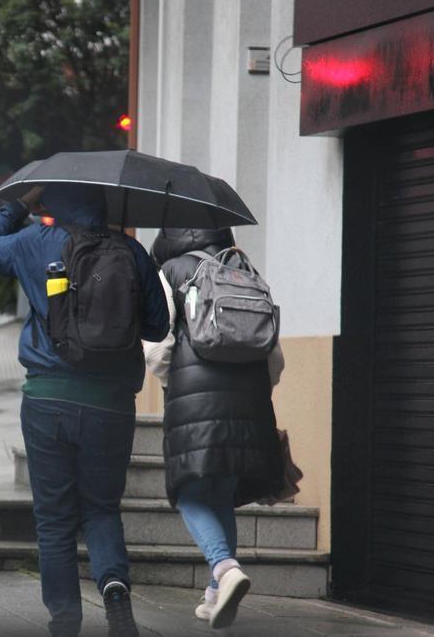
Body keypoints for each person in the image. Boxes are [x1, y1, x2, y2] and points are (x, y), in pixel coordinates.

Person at [0, 185, 169, 637]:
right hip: (111, 403)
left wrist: (22, 203)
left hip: (48, 398)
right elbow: (159, 326)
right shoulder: (131, 251)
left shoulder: (34, 242)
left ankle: (64, 621)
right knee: (102, 508)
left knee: (54, 520)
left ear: (54, 203)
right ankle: (114, 589)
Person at [143, 227, 283, 629]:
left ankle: (224, 568)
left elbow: (158, 347)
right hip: (251, 398)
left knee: (188, 492)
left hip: (194, 397)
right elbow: (274, 356)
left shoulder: (172, 270)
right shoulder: (246, 272)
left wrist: (175, 384)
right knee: (221, 494)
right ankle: (213, 595)